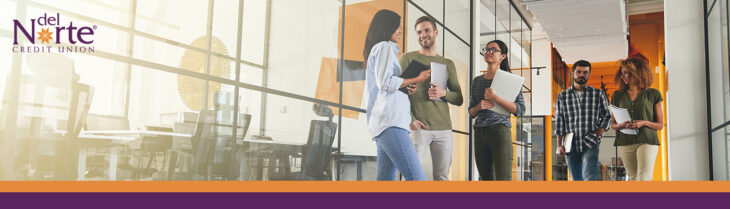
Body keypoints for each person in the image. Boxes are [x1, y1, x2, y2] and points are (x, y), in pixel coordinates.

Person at [363, 9, 430, 181]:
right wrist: (418, 77)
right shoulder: (385, 47)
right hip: (390, 124)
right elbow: (385, 83)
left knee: (385, 180)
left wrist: (406, 87)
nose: (400, 30)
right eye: (397, 27)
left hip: (384, 124)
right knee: (417, 179)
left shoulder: (379, 49)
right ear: (387, 27)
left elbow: (386, 87)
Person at [399, 16, 463, 181]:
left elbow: (459, 98)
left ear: (435, 32)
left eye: (426, 30)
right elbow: (398, 94)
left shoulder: (447, 63)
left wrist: (443, 93)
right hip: (418, 127)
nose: (423, 35)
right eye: (419, 32)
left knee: (442, 177)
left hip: (444, 129)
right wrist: (410, 119)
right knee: (411, 176)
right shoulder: (407, 58)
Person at [468, 40, 525, 181]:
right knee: (485, 179)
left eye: (493, 50)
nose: (488, 52)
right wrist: (478, 106)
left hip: (499, 131)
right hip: (479, 132)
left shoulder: (511, 80)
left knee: (503, 179)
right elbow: (471, 112)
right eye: (486, 49)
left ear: (503, 56)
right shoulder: (477, 81)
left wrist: (496, 98)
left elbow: (520, 110)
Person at [554, 60, 612, 181]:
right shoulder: (563, 97)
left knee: (589, 177)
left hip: (590, 141)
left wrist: (596, 135)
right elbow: (560, 122)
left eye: (585, 72)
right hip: (570, 143)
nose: (581, 75)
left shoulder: (598, 94)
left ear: (589, 75)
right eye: (579, 72)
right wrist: (559, 144)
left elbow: (607, 116)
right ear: (572, 74)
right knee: (576, 178)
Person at [610, 57, 664, 181]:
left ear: (637, 73)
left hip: (647, 140)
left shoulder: (653, 94)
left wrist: (644, 122)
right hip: (625, 141)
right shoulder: (617, 95)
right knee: (633, 178)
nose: (623, 76)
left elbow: (660, 125)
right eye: (622, 73)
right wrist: (621, 125)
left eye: (626, 73)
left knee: (643, 177)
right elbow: (613, 124)